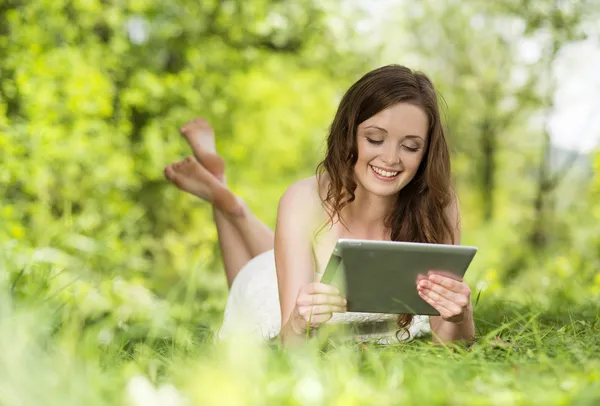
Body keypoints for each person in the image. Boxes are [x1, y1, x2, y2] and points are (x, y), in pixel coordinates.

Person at [164, 64, 475, 347]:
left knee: (274, 254)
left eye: (410, 146)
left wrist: (459, 317)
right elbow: (290, 343)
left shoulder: (438, 202)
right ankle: (227, 203)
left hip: (294, 259)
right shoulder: (305, 198)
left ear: (426, 152)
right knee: (250, 275)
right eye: (375, 139)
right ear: (349, 135)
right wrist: (300, 322)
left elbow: (449, 346)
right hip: (273, 292)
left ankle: (225, 194)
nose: (391, 158)